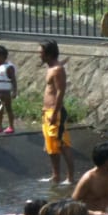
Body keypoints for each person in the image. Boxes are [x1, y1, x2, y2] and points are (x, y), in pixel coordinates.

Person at [39, 39, 76, 185]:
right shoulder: (50, 68)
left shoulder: (57, 70)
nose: (39, 55)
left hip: (56, 112)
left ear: (48, 54)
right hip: (47, 112)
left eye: (41, 53)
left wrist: (55, 112)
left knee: (63, 144)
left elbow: (61, 92)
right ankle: (55, 176)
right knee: (51, 146)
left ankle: (71, 178)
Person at [0, 44, 18, 134]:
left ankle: (11, 126)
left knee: (8, 108)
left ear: (2, 57)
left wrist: (14, 91)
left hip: (5, 92)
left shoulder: (8, 67)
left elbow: (13, 80)